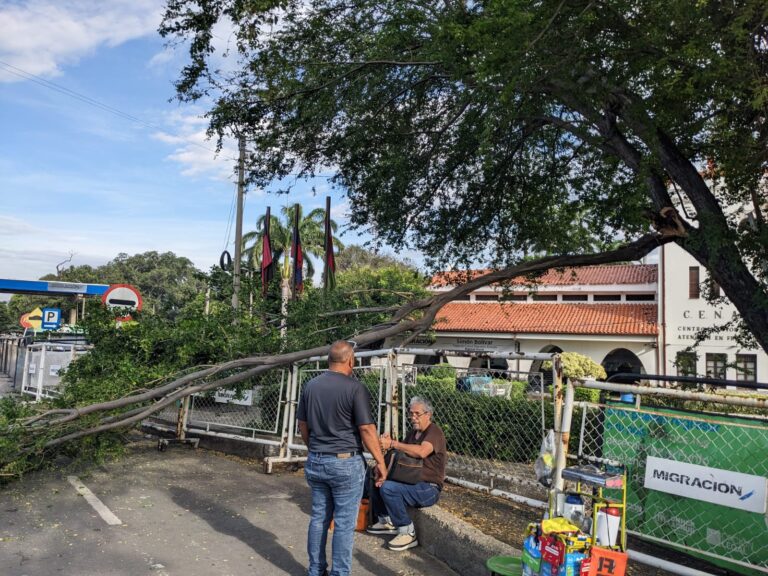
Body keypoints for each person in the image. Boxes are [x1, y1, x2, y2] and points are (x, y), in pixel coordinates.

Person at [297, 340, 387, 576]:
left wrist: (314, 449)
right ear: (350, 360)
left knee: (319, 518)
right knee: (344, 524)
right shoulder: (355, 388)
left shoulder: (311, 386)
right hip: (346, 463)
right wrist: (380, 461)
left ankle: (315, 571)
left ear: (329, 359)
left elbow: (302, 425)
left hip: (316, 460)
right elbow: (366, 429)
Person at [366, 396, 447, 551]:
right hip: (412, 481)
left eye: (417, 414)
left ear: (428, 414)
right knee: (376, 477)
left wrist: (393, 443)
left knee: (388, 488)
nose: (413, 417)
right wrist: (387, 449)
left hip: (429, 488)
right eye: (411, 414)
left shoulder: (434, 432)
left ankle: (407, 532)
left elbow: (422, 452)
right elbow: (400, 454)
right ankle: (385, 521)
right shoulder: (412, 433)